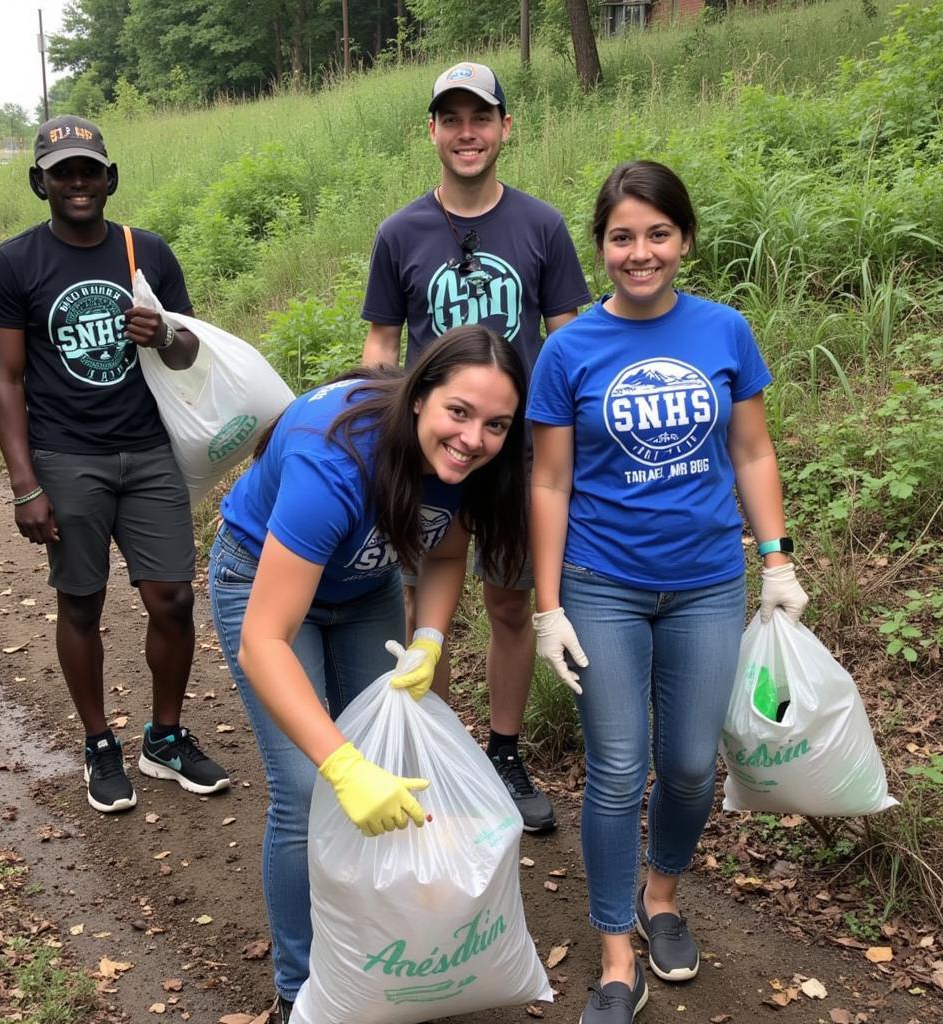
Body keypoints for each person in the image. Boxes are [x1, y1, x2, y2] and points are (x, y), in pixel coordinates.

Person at [527, 160, 809, 1024]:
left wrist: (778, 559)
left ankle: (661, 897)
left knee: (688, 766)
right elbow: (548, 482)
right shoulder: (567, 350)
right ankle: (617, 952)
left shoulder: (724, 331)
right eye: (622, 237)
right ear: (601, 246)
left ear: (683, 239)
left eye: (657, 234)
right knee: (617, 770)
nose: (639, 252)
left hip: (707, 583)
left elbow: (752, 452)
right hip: (603, 583)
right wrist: (548, 607)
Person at [208, 326, 528, 1022]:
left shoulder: (466, 468)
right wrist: (344, 768)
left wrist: (432, 638)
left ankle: (386, 947)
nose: (474, 439)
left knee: (394, 762)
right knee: (306, 787)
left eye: (496, 425)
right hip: (259, 582)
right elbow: (266, 640)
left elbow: (442, 557)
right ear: (419, 398)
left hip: (364, 586)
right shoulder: (335, 462)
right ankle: (300, 991)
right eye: (459, 412)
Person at [361, 61, 592, 833]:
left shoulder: (541, 226)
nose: (467, 132)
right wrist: (381, 439)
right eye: (450, 119)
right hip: (432, 454)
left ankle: (501, 751)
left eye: (480, 117)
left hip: (515, 456)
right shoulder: (401, 232)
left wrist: (573, 444)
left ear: (504, 128)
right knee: (424, 610)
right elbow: (380, 348)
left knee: (506, 602)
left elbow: (569, 342)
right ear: (431, 130)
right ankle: (436, 755)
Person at [0, 115, 230, 815]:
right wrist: (25, 485)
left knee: (173, 599)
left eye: (90, 170)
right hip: (64, 455)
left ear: (110, 178)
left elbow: (187, 356)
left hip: (148, 450)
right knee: (81, 601)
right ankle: (98, 744)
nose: (78, 183)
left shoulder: (144, 253)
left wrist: (167, 331)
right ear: (41, 183)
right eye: (64, 172)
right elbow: (4, 380)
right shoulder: (13, 264)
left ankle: (166, 737)